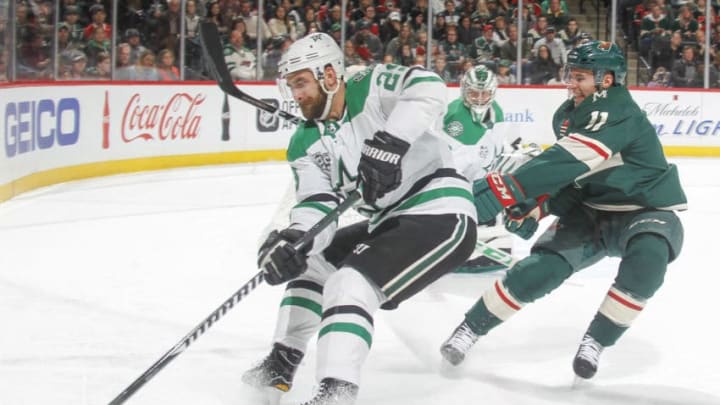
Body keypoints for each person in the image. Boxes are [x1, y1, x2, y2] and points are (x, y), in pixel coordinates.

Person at [242, 32, 478, 405]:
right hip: (388, 221)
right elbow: (316, 204)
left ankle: (336, 393)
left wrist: (391, 141)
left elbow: (429, 86)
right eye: (292, 86)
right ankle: (281, 361)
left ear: (330, 76)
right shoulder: (305, 141)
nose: (296, 94)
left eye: (301, 82)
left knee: (349, 283)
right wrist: (294, 240)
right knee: (312, 264)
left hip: (441, 211)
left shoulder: (367, 85)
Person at [439, 41, 687, 380]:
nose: (571, 82)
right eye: (571, 74)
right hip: (590, 210)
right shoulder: (567, 116)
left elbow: (568, 158)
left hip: (645, 208)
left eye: (581, 76)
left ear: (607, 80)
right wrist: (536, 210)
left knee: (649, 259)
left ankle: (596, 341)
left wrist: (505, 187)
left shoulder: (618, 108)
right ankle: (470, 328)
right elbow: (573, 175)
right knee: (539, 270)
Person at [443, 65, 540, 272]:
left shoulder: (496, 111)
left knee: (498, 196)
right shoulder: (454, 116)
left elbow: (493, 147)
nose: (479, 98)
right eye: (474, 93)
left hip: (479, 176)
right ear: (464, 91)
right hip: (454, 182)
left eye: (484, 93)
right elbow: (443, 158)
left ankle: (492, 245)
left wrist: (518, 150)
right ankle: (455, 246)